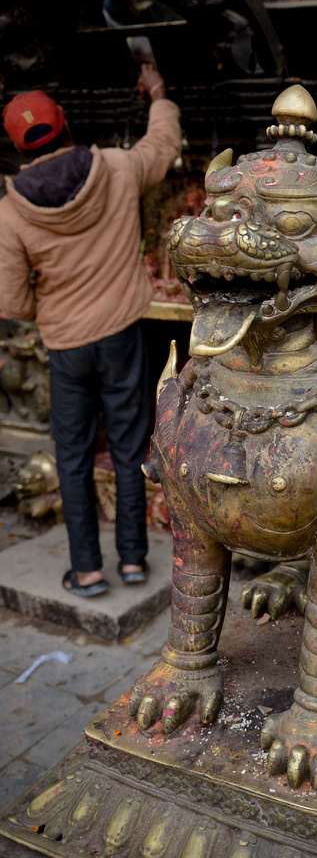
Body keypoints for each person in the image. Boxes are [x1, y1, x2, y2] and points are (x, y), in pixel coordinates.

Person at [0, 67, 182, 598]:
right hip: (123, 334)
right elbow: (164, 143)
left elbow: (11, 301)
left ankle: (86, 571)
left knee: (74, 456)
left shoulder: (12, 212)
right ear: (66, 126)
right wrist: (160, 93)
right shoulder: (118, 168)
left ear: (18, 145)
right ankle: (132, 561)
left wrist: (51, 309)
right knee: (128, 448)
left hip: (65, 346)